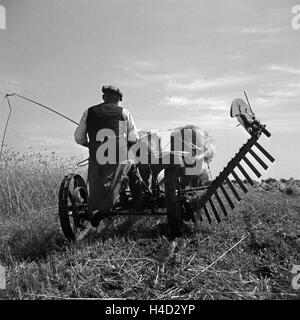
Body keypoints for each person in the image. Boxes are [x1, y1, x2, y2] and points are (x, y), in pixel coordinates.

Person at [74, 85, 143, 227]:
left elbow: (78, 138)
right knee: (131, 168)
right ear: (118, 100)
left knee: (97, 178)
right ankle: (137, 206)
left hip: (96, 158)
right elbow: (133, 137)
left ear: (104, 97)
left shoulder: (89, 112)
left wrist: (89, 145)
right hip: (119, 156)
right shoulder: (124, 113)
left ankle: (96, 206)